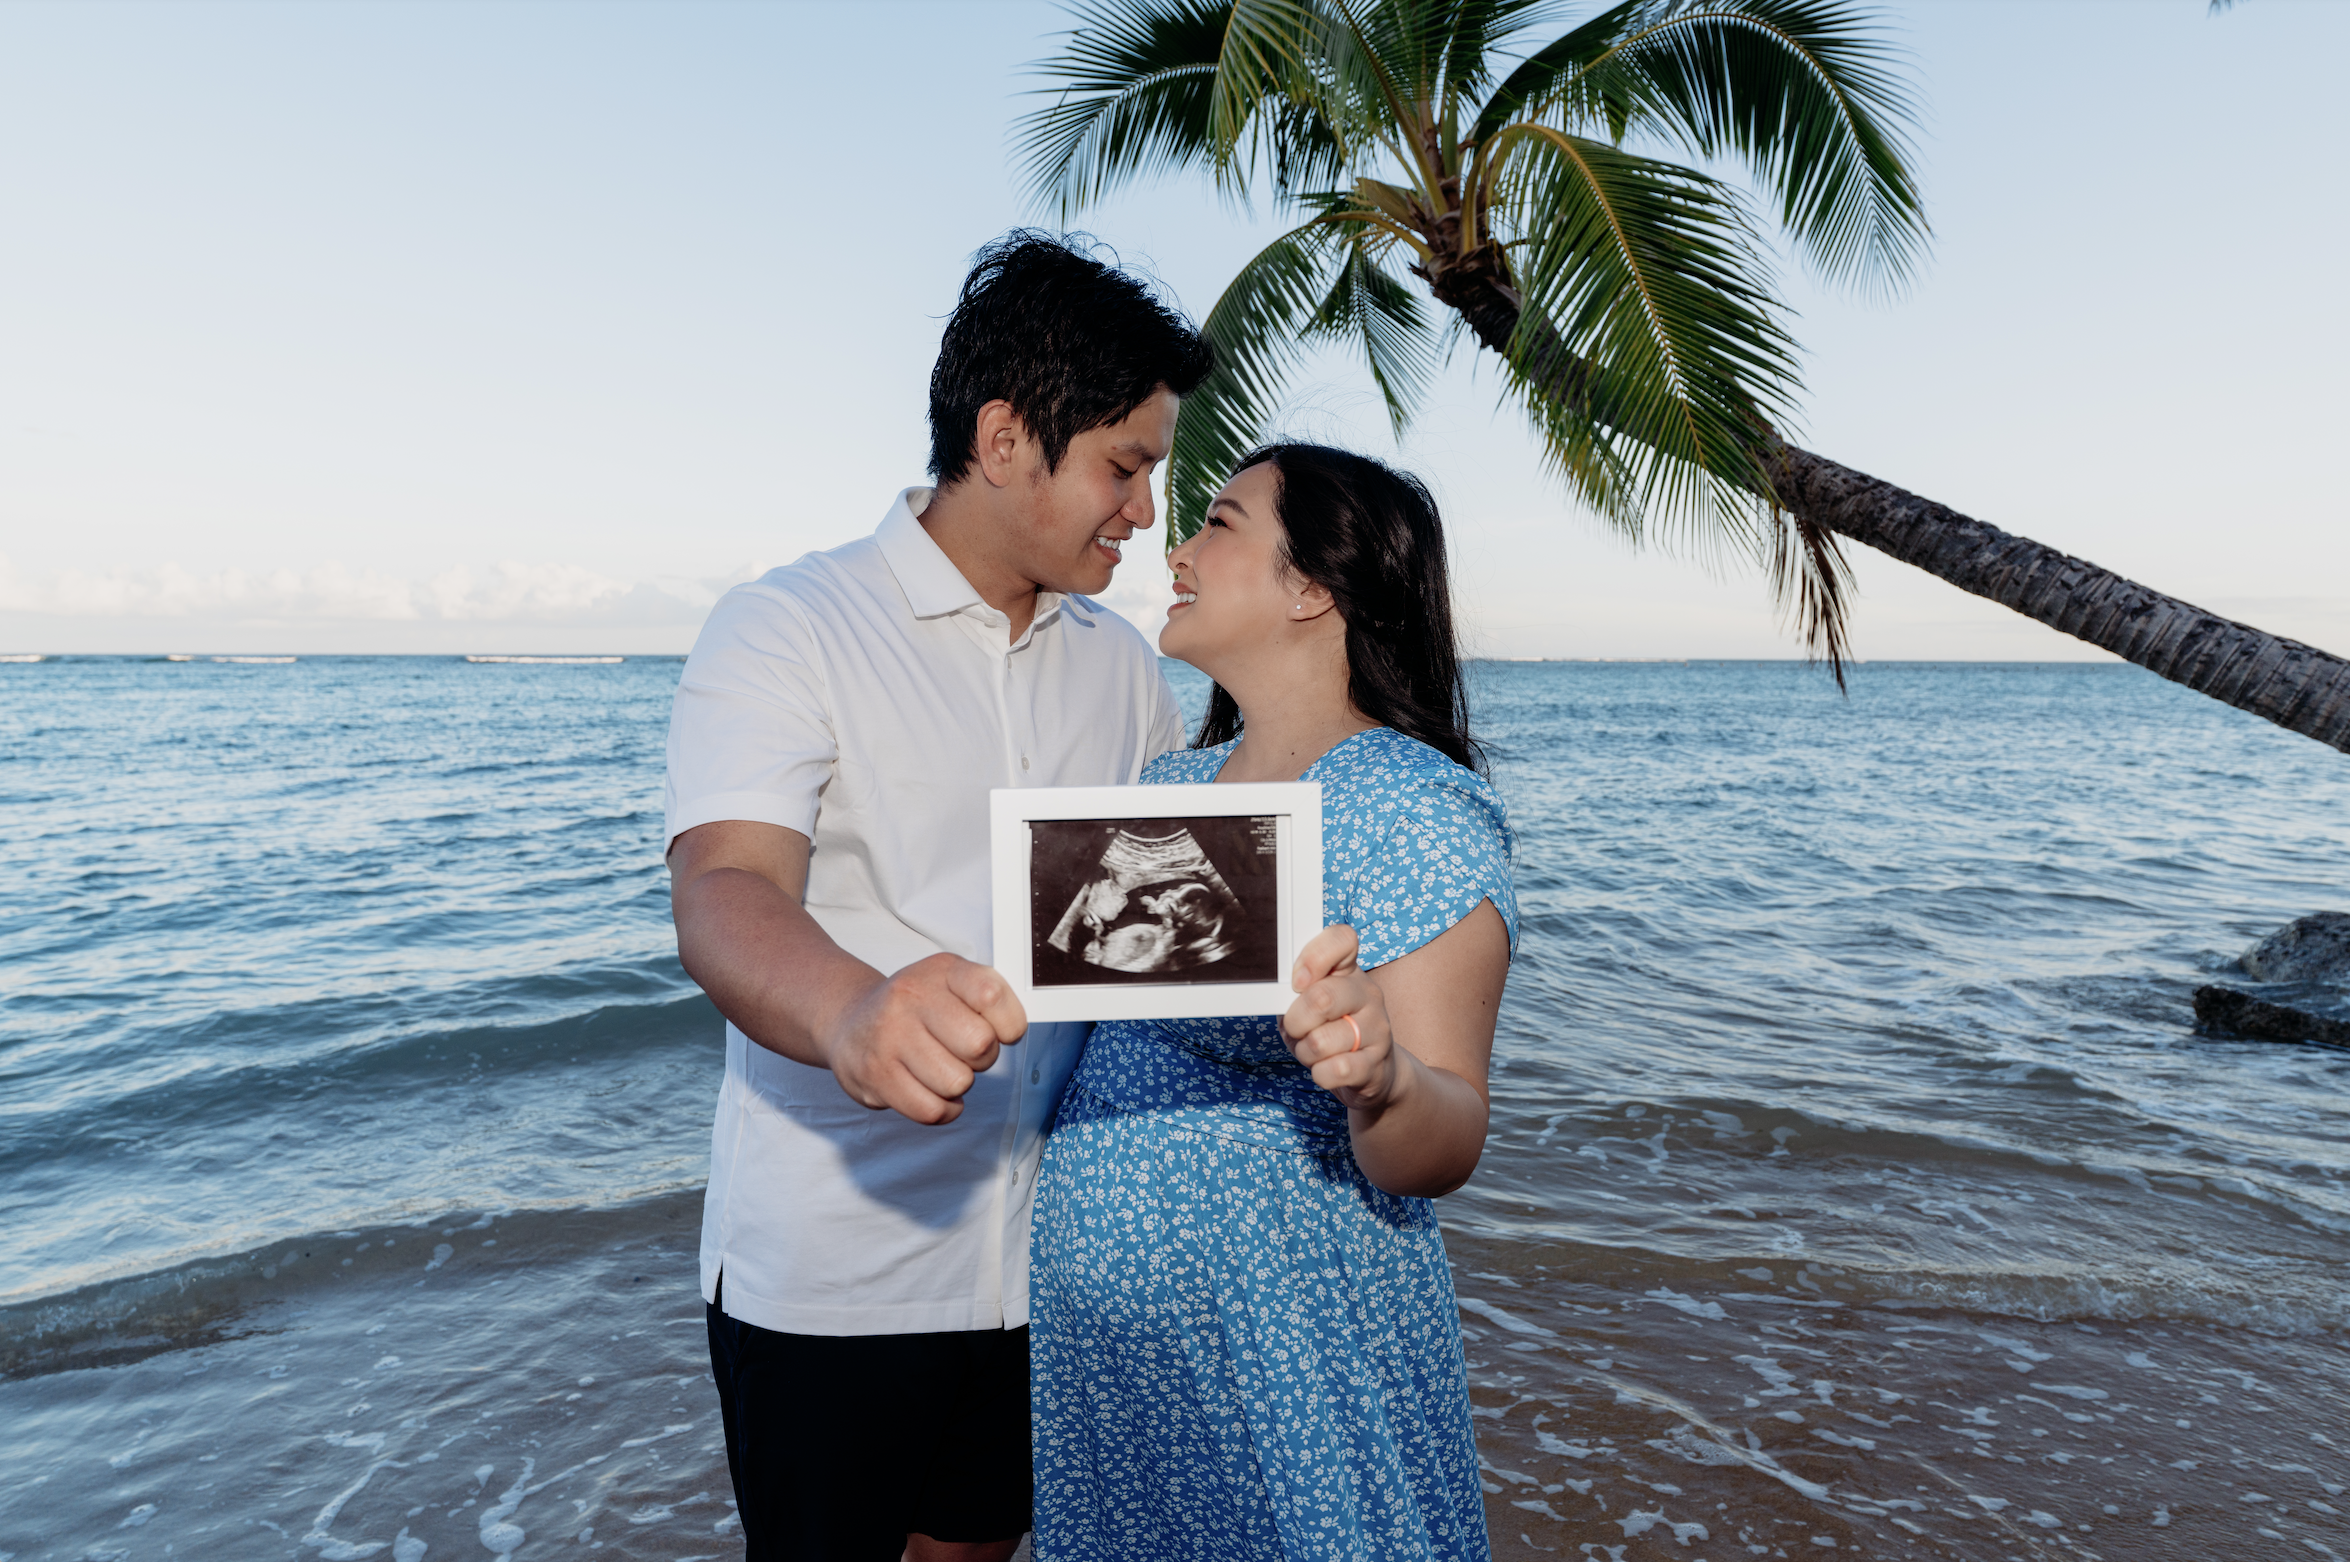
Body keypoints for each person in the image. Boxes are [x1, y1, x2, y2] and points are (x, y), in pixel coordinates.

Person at [663, 231, 1211, 1562]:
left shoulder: (1123, 669)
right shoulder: (787, 624)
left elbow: (1159, 925)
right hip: (834, 1272)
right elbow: (726, 888)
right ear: (1009, 436)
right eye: (1125, 466)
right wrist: (855, 1010)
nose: (1144, 511)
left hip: (1047, 1263)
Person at [1029, 444, 1517, 1561]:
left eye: (1217, 522)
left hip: (1282, 1341)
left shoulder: (1414, 806)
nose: (1177, 546)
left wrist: (1384, 1077)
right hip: (1117, 1359)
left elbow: (1444, 1136)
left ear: (1312, 589)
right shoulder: (1166, 789)